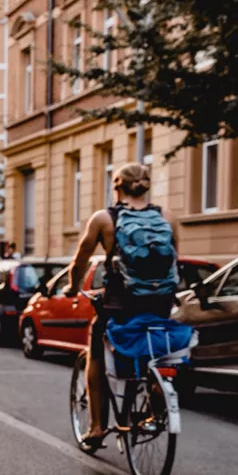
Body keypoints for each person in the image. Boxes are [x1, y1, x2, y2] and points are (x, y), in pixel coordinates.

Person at [67, 162, 179, 446]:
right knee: (156, 352)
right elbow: (174, 260)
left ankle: (95, 427)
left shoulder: (104, 219)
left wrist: (73, 287)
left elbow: (81, 259)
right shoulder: (167, 217)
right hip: (161, 300)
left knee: (95, 346)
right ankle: (156, 403)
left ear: (117, 186)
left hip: (122, 300)